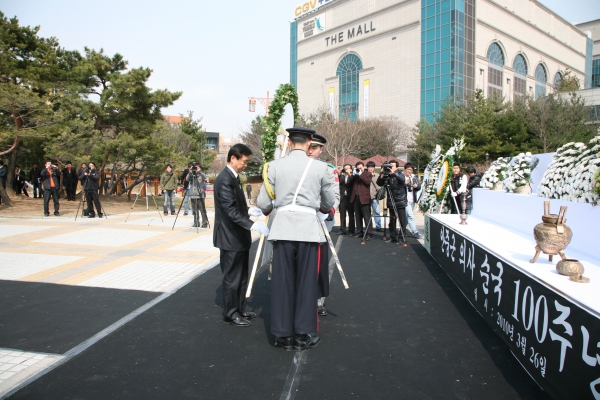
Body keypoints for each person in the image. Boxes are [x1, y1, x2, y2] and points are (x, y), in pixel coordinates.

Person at [257, 126, 336, 352]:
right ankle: (302, 334)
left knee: (282, 282)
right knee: (306, 282)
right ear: (309, 144)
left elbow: (263, 203)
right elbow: (328, 202)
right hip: (309, 231)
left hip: (282, 229)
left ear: (289, 143)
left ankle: (282, 335)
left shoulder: (274, 166)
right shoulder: (322, 168)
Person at [213, 144, 269, 327]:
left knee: (242, 276)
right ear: (233, 158)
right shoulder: (224, 179)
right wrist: (252, 224)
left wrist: (248, 209)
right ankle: (231, 313)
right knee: (232, 277)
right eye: (244, 161)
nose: (245, 165)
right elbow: (229, 210)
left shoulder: (233, 178)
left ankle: (240, 308)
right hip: (230, 237)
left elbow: (235, 205)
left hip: (238, 236)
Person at [306, 133, 340, 317]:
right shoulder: (296, 167)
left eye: (315, 148)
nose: (311, 151)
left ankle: (317, 300)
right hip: (300, 225)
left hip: (320, 225)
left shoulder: (329, 170)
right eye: (309, 147)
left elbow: (335, 197)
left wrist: (327, 213)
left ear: (321, 150)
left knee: (319, 265)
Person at [377, 160, 407, 244]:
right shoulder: (387, 175)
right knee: (392, 220)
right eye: (389, 166)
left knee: (401, 221)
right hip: (391, 200)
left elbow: (402, 180)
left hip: (400, 200)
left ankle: (401, 238)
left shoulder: (399, 173)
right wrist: (382, 174)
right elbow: (379, 183)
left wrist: (393, 173)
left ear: (396, 167)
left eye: (392, 166)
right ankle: (393, 237)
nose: (390, 168)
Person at [347, 161, 373, 240]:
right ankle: (359, 232)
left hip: (364, 198)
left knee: (367, 217)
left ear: (363, 167)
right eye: (358, 168)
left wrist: (360, 175)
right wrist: (353, 175)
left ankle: (369, 233)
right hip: (356, 198)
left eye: (360, 168)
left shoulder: (368, 174)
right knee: (357, 217)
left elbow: (367, 182)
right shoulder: (355, 175)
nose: (359, 169)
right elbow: (348, 183)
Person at [403, 163, 421, 239]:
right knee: (410, 216)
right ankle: (415, 231)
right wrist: (404, 184)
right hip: (405, 199)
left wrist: (416, 186)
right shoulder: (402, 177)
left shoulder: (413, 177)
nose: (410, 171)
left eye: (411, 170)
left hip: (412, 199)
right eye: (408, 169)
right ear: (405, 169)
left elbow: (419, 186)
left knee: (407, 216)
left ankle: (402, 230)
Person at [337, 164, 354, 236]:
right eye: (345, 168)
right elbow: (338, 182)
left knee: (351, 214)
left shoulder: (353, 176)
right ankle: (342, 229)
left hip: (350, 197)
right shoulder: (342, 176)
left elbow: (352, 183)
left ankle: (351, 231)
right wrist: (340, 172)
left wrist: (349, 174)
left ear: (351, 169)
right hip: (343, 197)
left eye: (348, 168)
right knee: (342, 214)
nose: (346, 169)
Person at [366, 161, 382, 231]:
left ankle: (378, 226)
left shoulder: (377, 175)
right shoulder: (365, 175)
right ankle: (369, 227)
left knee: (377, 212)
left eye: (372, 167)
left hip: (375, 197)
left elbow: (380, 186)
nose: (371, 169)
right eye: (369, 167)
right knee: (367, 213)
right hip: (366, 197)